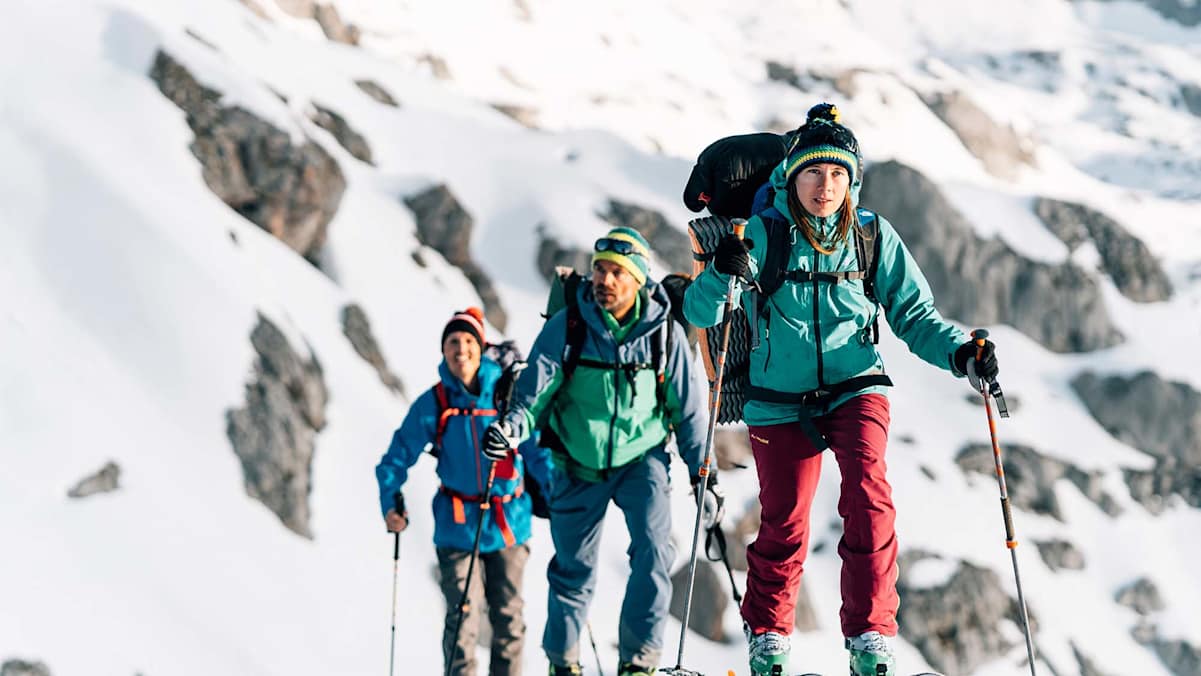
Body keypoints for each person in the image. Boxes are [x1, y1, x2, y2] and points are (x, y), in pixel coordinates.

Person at [683, 103, 1001, 676]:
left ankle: (870, 637)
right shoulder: (761, 233)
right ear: (792, 176)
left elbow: (915, 314)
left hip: (858, 386)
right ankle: (770, 637)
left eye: (837, 174)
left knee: (868, 494)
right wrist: (720, 270)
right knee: (783, 519)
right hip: (777, 398)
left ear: (851, 180)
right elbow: (702, 310)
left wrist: (960, 353)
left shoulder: (872, 235)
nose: (825, 185)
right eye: (813, 172)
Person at [482, 227, 719, 676]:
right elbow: (534, 391)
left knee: (653, 554)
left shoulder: (663, 333)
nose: (604, 280)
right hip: (576, 462)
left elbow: (688, 412)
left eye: (617, 273)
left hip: (642, 460)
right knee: (573, 571)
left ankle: (638, 663)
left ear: (639, 281)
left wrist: (703, 474)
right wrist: (513, 428)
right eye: (599, 270)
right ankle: (562, 663)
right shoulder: (568, 326)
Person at [375, 307, 550, 676]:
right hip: (457, 526)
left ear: (481, 346)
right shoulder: (435, 403)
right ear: (443, 351)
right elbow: (394, 458)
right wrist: (391, 503)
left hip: (508, 523)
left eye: (468, 341)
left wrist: (555, 494)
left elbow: (535, 447)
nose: (461, 349)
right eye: (453, 342)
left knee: (508, 620)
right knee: (461, 622)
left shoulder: (506, 395)